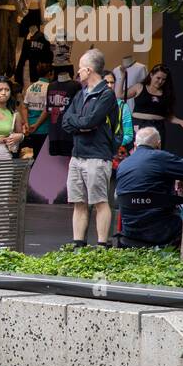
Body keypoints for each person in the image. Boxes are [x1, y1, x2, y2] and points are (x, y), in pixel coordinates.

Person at [61, 48, 120, 246]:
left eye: (80, 69)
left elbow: (91, 121)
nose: (78, 73)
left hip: (97, 155)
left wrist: (81, 123)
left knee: (100, 201)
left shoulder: (106, 94)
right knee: (79, 202)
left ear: (88, 70)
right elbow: (66, 121)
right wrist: (83, 124)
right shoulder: (80, 94)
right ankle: (78, 243)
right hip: (77, 155)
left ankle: (102, 244)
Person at [115, 127, 183, 247]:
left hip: (129, 230)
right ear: (158, 144)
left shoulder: (123, 164)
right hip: (160, 230)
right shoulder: (162, 158)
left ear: (135, 144)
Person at [127, 63, 183, 143]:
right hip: (139, 125)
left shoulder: (167, 93)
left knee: (156, 153)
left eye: (163, 79)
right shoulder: (139, 87)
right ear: (151, 75)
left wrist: (181, 122)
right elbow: (120, 95)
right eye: (158, 78)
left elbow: (168, 116)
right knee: (137, 151)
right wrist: (121, 78)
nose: (160, 81)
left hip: (158, 127)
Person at [22, 61, 53, 157]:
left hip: (31, 128)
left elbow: (24, 107)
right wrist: (37, 125)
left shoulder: (30, 87)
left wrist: (27, 123)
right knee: (43, 157)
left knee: (35, 154)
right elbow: (46, 110)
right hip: (44, 128)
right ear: (50, 74)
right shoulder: (50, 87)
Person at [102, 70, 136, 155]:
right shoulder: (92, 103)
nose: (109, 85)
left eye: (112, 82)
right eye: (106, 82)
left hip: (116, 154)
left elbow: (128, 135)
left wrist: (112, 145)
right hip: (97, 153)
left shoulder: (122, 106)